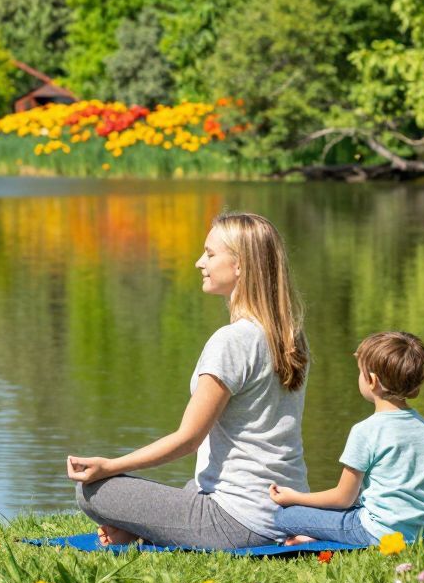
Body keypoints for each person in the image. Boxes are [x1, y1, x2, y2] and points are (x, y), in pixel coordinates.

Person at [67, 212, 309, 548]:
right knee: (193, 486)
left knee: (92, 491)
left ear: (240, 265)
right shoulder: (289, 337)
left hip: (238, 522)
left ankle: (145, 528)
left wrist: (109, 466)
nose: (199, 262)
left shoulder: (231, 341)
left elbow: (188, 440)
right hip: (287, 512)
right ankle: (140, 530)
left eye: (210, 254)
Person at [269, 332, 424, 545]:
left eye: (360, 371)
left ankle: (315, 537)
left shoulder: (366, 431)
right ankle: (317, 535)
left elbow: (343, 498)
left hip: (377, 532)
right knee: (353, 508)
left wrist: (294, 497)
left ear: (372, 381)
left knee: (285, 516)